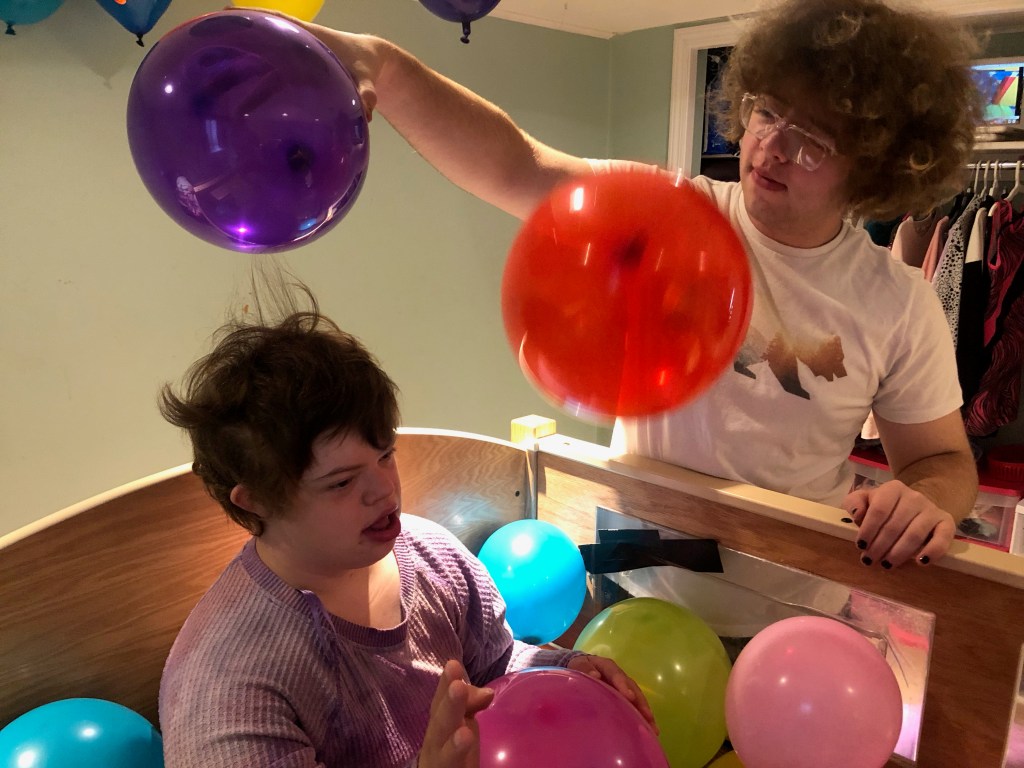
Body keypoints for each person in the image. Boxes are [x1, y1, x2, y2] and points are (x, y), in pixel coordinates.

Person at [270, 0, 982, 569]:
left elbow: (942, 461)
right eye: (768, 112)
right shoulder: (666, 214)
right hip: (629, 580)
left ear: (877, 165)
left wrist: (927, 500)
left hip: (790, 608)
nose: (771, 148)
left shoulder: (899, 303)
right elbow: (517, 165)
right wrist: (388, 69)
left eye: (814, 140)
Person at [157, 286, 654, 768]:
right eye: (341, 482)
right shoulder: (228, 687)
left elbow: (495, 667)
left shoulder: (429, 552)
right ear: (259, 501)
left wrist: (565, 670)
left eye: (386, 455)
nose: (385, 491)